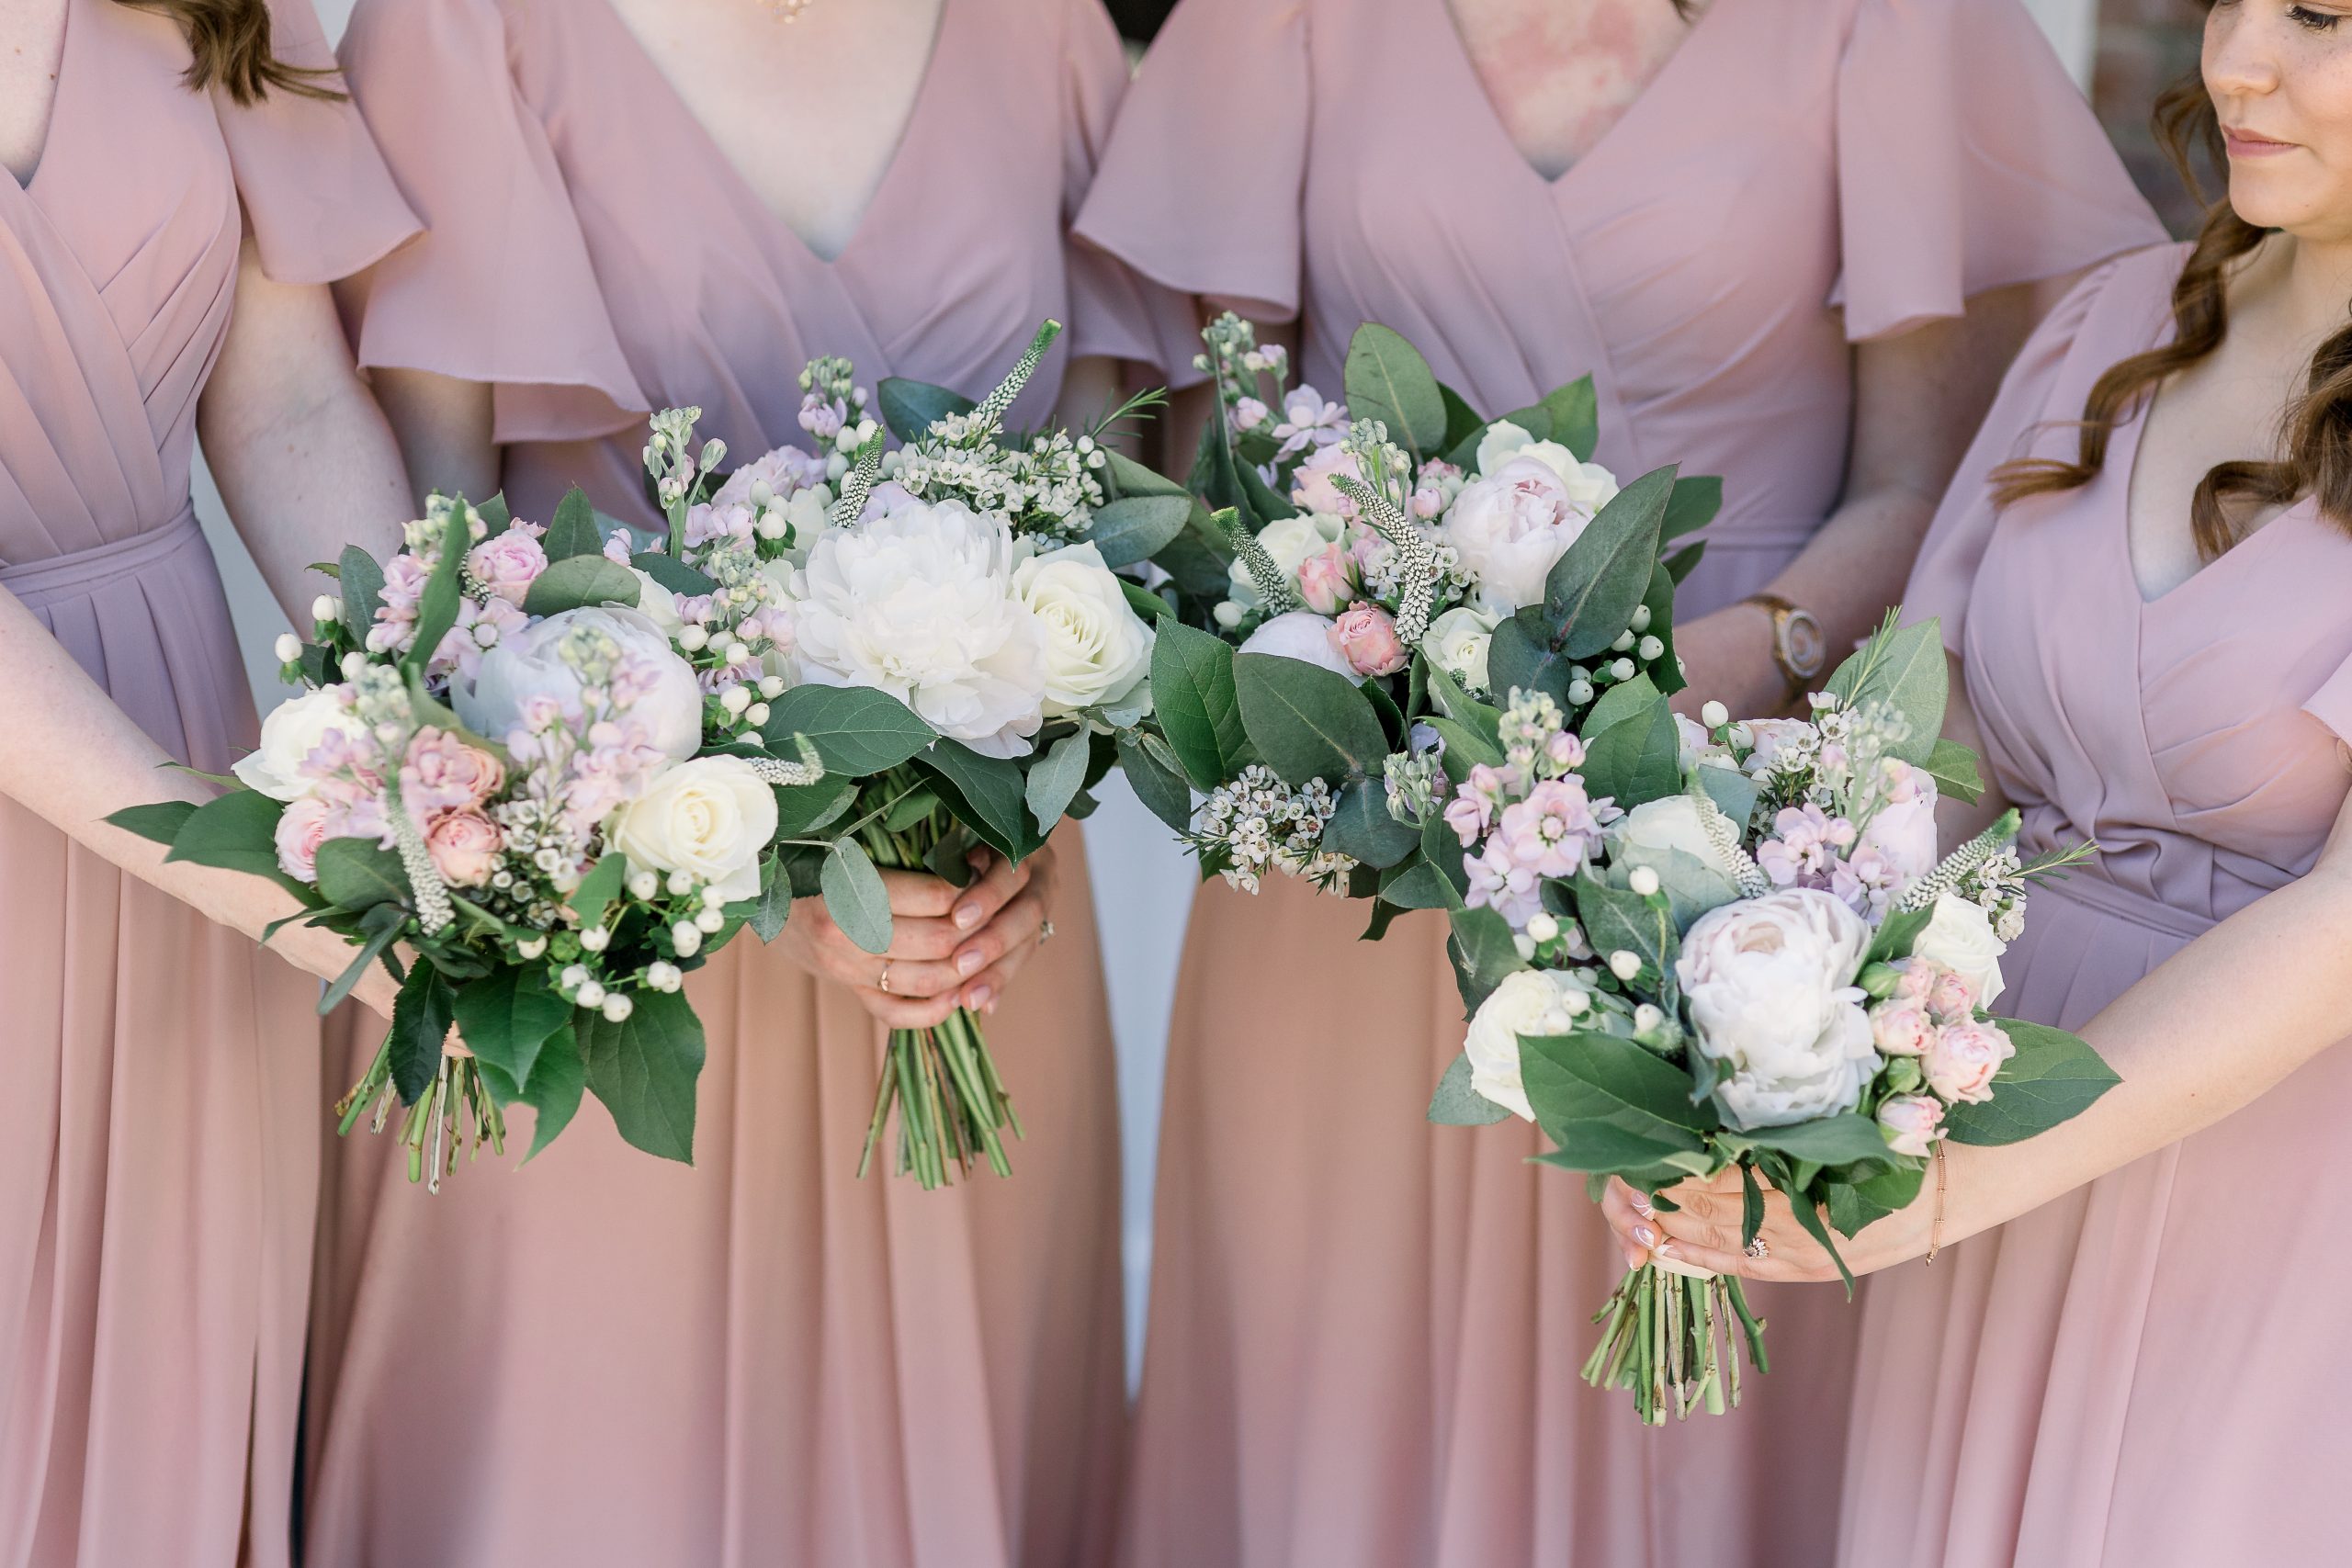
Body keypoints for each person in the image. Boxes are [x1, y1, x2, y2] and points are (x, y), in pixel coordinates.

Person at [1072, 1, 2165, 1562]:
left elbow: (1919, 479)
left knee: (1689, 1396)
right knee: (1332, 1402)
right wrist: (1371, 672)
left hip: (1726, 866)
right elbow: (1204, 457)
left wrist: (1721, 666)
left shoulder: (1878, 25)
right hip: (1357, 870)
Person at [303, 2, 1192, 1563]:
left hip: (974, 954)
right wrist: (754, 874)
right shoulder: (468, 36)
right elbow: (433, 608)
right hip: (612, 968)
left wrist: (1028, 830)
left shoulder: (1044, 34)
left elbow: (1119, 527)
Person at [1604, 6, 2352, 1563]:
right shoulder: (2113, 322)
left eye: (2324, 17)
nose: (2237, 65)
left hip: (2252, 1186)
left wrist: (1950, 1192)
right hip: (1962, 1114)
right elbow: (1918, 738)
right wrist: (1753, 1059)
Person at [0, 1, 420, 1562]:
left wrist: (409, 732)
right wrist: (230, 866)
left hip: (200, 796)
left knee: (177, 1386)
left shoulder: (216, 5)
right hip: (168, 832)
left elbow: (290, 396)